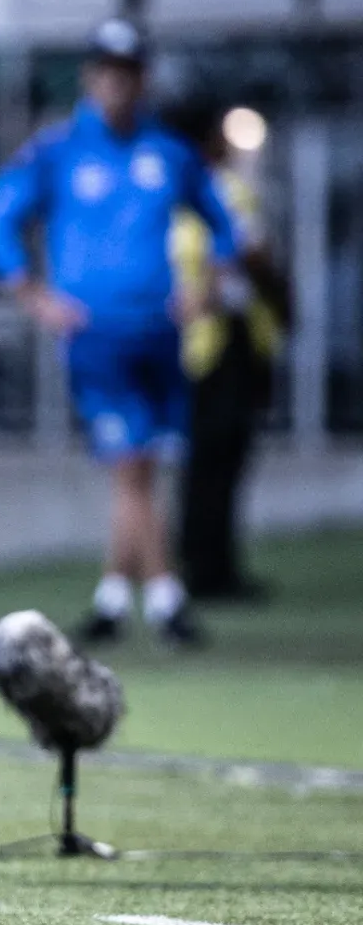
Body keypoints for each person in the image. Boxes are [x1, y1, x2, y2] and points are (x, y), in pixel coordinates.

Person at [0, 20, 237, 648]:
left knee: (143, 468)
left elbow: (225, 223)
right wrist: (33, 295)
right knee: (134, 466)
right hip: (98, 336)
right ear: (91, 77)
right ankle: (168, 598)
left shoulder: (169, 153)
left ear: (141, 77)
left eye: (128, 71)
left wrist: (204, 290)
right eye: (106, 70)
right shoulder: (59, 150)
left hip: (159, 332)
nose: (116, 82)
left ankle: (114, 599)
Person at [165, 99, 286, 601]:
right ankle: (209, 568)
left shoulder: (168, 191)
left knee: (205, 460)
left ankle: (201, 564)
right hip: (220, 342)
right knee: (218, 459)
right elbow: (251, 256)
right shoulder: (220, 188)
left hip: (200, 342)